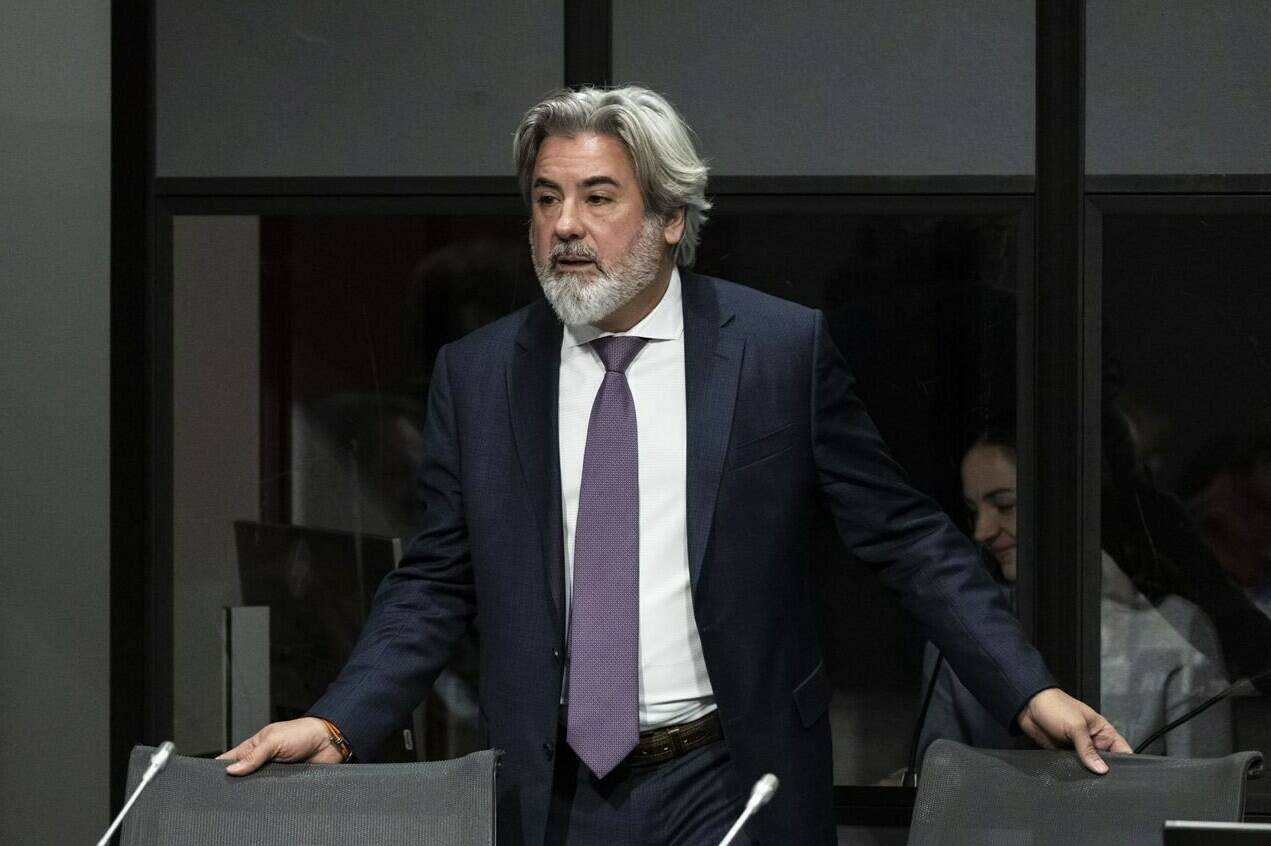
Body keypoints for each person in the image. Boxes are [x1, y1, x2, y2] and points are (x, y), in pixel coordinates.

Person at [219, 85, 1129, 845]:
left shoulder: (777, 353)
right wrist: (340, 720)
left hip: (728, 772)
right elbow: (434, 580)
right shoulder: (481, 373)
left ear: (668, 218)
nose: (564, 226)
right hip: (550, 788)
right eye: (544, 199)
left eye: (598, 197)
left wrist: (1026, 686)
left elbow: (904, 537)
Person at [916, 429, 1230, 769]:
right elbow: (938, 782)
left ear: (1064, 502)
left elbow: (1202, 802)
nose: (982, 531)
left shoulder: (1176, 631)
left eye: (1004, 505)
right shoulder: (962, 631)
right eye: (973, 511)